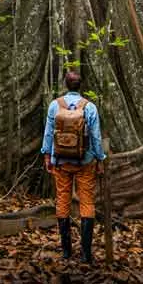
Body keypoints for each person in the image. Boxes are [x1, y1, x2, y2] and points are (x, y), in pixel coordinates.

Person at [41, 71, 106, 263]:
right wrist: (100, 159)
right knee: (87, 202)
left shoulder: (55, 105)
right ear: (80, 85)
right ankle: (86, 254)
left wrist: (47, 155)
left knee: (62, 201)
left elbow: (48, 133)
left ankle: (67, 251)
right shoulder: (90, 107)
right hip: (85, 162)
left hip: (61, 162)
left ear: (66, 84)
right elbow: (95, 137)